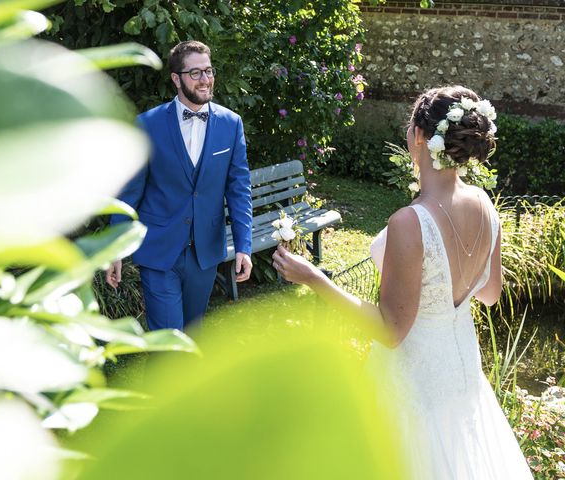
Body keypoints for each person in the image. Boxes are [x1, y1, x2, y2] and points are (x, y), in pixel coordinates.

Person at [272, 86, 533, 478]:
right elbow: (491, 294)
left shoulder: (410, 222)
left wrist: (314, 279)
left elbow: (391, 331)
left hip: (415, 380)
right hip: (462, 374)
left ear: (420, 138)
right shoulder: (484, 203)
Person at [106, 40, 253, 331]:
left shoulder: (231, 124)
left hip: (205, 253)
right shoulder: (147, 125)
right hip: (160, 251)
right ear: (176, 79)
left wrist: (243, 246)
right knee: (168, 340)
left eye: (208, 71)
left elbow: (238, 190)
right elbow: (129, 193)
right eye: (195, 73)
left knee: (191, 335)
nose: (205, 80)